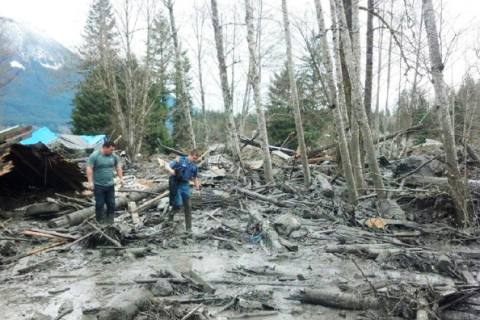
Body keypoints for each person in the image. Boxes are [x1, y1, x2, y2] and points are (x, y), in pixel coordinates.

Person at [86, 140, 124, 224]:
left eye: (113, 149)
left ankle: (110, 221)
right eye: (111, 149)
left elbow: (118, 167)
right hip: (98, 185)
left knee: (111, 203)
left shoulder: (114, 156)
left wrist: (121, 178)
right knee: (100, 203)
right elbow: (89, 169)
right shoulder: (95, 156)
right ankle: (99, 221)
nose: (112, 151)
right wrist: (90, 182)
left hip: (110, 184)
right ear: (105, 148)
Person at [166, 149, 201, 232]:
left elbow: (195, 178)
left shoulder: (194, 166)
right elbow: (167, 166)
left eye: (197, 159)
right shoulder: (180, 160)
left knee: (188, 206)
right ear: (190, 155)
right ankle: (171, 215)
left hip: (186, 185)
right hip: (177, 184)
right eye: (194, 158)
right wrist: (172, 171)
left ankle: (189, 228)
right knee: (178, 203)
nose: (195, 160)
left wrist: (198, 189)